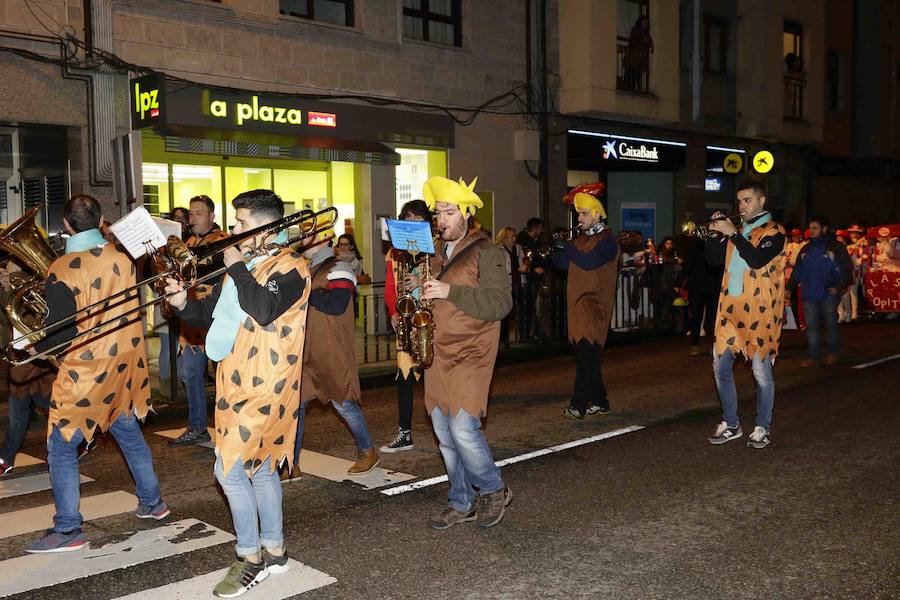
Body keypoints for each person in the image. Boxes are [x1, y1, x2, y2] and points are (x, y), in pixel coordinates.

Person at [166, 189, 310, 597]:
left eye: (241, 223)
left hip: (268, 383)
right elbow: (218, 318)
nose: (233, 230)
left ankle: (249, 557)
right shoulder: (245, 266)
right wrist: (182, 303)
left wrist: (240, 266)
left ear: (267, 226)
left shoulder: (292, 267)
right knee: (262, 467)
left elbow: (263, 308)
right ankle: (276, 549)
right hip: (235, 381)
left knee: (227, 471)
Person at [25, 195, 169, 553]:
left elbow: (61, 332)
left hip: (88, 371)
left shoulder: (63, 267)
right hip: (125, 366)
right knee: (128, 432)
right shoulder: (122, 258)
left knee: (60, 445)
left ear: (67, 226)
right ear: (102, 220)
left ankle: (69, 528)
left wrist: (32, 347)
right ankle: (153, 503)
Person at [419, 175, 513, 530]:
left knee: (462, 429)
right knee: (444, 435)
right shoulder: (437, 253)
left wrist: (448, 292)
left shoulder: (489, 252)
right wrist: (419, 288)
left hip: (472, 352)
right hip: (438, 354)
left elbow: (500, 303)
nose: (441, 220)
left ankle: (493, 488)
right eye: (438, 212)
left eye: (449, 212)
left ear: (468, 215)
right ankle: (460, 501)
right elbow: (435, 294)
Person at [705, 181, 787, 450]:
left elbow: (755, 259)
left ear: (762, 202)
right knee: (720, 367)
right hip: (729, 310)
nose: (742, 206)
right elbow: (713, 261)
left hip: (760, 312)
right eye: (739, 201)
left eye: (748, 200)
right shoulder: (736, 231)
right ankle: (731, 423)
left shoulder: (775, 232)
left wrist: (732, 234)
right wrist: (716, 234)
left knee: (761, 373)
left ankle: (763, 425)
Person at [292, 226, 379, 478]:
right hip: (307, 350)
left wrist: (307, 292)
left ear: (325, 238)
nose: (303, 236)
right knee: (296, 407)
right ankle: (292, 463)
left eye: (308, 232)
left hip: (332, 351)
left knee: (344, 405)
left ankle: (368, 451)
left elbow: (336, 304)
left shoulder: (339, 267)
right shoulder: (306, 269)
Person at [551, 183, 619, 420]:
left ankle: (578, 405)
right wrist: (557, 249)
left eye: (584, 213)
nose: (579, 217)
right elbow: (563, 265)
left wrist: (567, 247)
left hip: (595, 307)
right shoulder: (579, 240)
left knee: (585, 360)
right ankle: (601, 401)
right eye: (578, 213)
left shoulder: (608, 241)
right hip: (578, 308)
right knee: (587, 359)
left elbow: (589, 262)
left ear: (598, 213)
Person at [168, 195, 229, 447]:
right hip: (192, 322)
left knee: (224, 377)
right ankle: (197, 426)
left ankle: (229, 426)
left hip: (215, 316)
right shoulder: (188, 241)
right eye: (191, 214)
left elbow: (220, 272)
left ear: (211, 217)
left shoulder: (224, 240)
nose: (192, 218)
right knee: (190, 375)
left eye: (198, 213)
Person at [381, 199, 431, 453]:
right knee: (404, 378)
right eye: (407, 218)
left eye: (417, 218)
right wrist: (393, 311)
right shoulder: (394, 251)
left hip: (434, 319)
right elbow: (391, 285)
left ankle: (449, 427)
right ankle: (405, 432)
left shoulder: (436, 248)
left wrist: (421, 280)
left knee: (437, 377)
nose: (412, 222)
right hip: (406, 319)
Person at [0, 260, 56, 476]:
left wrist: (9, 284)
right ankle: (6, 458)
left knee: (20, 409)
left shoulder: (28, 279)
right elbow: (8, 315)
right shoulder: (15, 279)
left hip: (32, 354)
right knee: (34, 405)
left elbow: (20, 312)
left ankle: (6, 458)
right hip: (23, 354)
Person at [788, 216, 852, 367]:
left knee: (830, 324)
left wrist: (838, 287)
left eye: (815, 228)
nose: (811, 231)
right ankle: (814, 356)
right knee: (812, 327)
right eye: (810, 228)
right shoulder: (806, 248)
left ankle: (832, 353)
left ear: (824, 229)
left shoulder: (836, 247)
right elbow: (798, 270)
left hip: (828, 292)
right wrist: (788, 288)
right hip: (809, 293)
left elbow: (846, 268)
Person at [678, 236, 725, 356]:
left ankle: (695, 345)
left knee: (695, 317)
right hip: (712, 288)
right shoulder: (719, 251)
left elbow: (686, 268)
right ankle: (714, 346)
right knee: (713, 318)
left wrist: (678, 283)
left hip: (697, 288)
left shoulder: (695, 252)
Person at [494, 227, 526, 347]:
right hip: (504, 285)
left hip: (516, 284)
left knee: (512, 312)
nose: (514, 239)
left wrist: (525, 266)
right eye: (511, 236)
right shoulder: (498, 250)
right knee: (503, 313)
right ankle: (502, 339)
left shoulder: (518, 249)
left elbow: (524, 260)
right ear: (505, 238)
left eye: (514, 236)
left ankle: (510, 338)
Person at [516, 217, 545, 339]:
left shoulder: (535, 241)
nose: (542, 230)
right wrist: (533, 270)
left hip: (533, 276)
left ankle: (530, 332)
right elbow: (524, 261)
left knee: (530, 306)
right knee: (526, 306)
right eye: (540, 228)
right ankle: (526, 333)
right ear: (535, 228)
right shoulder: (523, 241)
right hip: (526, 278)